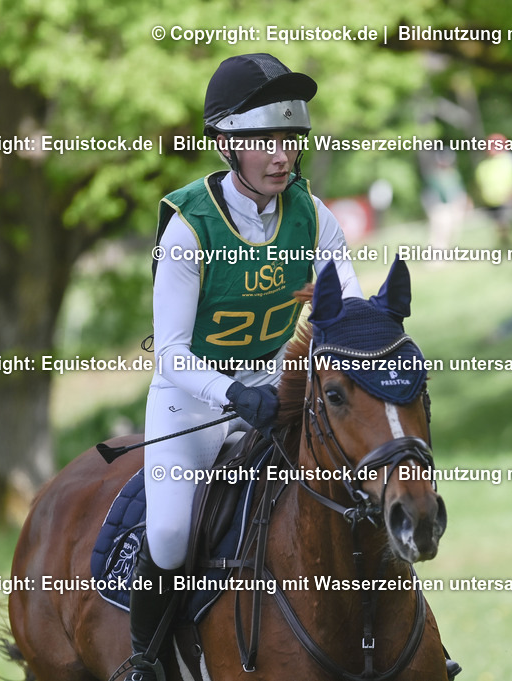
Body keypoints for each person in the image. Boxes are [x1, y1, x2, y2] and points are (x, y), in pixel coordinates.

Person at [127, 53, 362, 681]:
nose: (281, 155)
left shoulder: (316, 219)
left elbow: (349, 315)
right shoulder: (188, 229)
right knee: (172, 535)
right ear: (228, 144)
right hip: (194, 399)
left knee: (360, 491)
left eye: (289, 138)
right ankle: (146, 659)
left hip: (281, 391)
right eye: (264, 140)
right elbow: (171, 352)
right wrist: (232, 389)